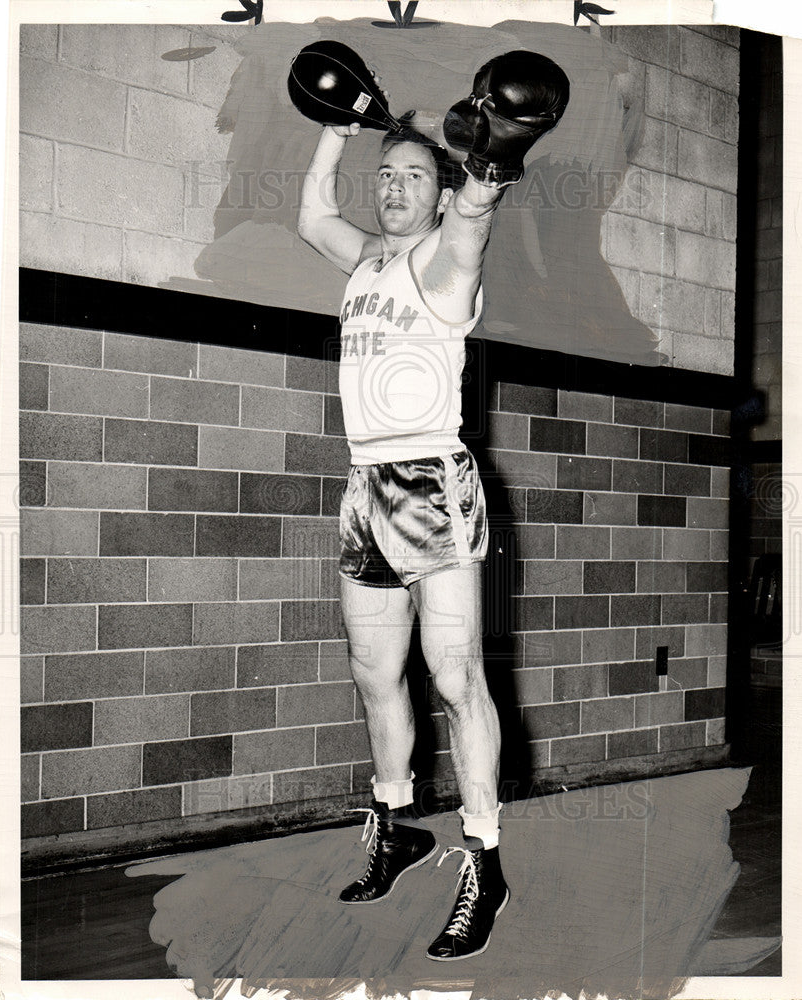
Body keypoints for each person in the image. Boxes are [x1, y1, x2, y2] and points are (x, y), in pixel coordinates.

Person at [296, 51, 569, 961]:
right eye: (387, 176)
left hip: (433, 487)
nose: (395, 188)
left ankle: (483, 860)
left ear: (442, 190)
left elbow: (476, 223)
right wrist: (342, 128)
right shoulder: (367, 259)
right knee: (377, 677)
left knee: (456, 679)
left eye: (415, 176)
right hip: (364, 487)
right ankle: (400, 821)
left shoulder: (448, 264)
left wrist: (489, 171)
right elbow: (311, 215)